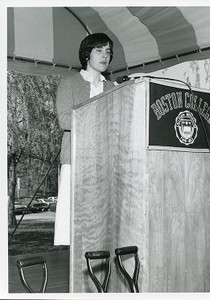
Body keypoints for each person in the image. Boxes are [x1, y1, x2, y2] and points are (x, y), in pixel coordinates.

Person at [54, 33, 115, 245]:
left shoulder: (113, 88)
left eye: (108, 51)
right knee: (76, 228)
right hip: (76, 161)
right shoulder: (69, 82)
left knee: (102, 228)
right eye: (99, 50)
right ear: (87, 54)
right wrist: (100, 120)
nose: (104, 56)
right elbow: (64, 120)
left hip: (105, 163)